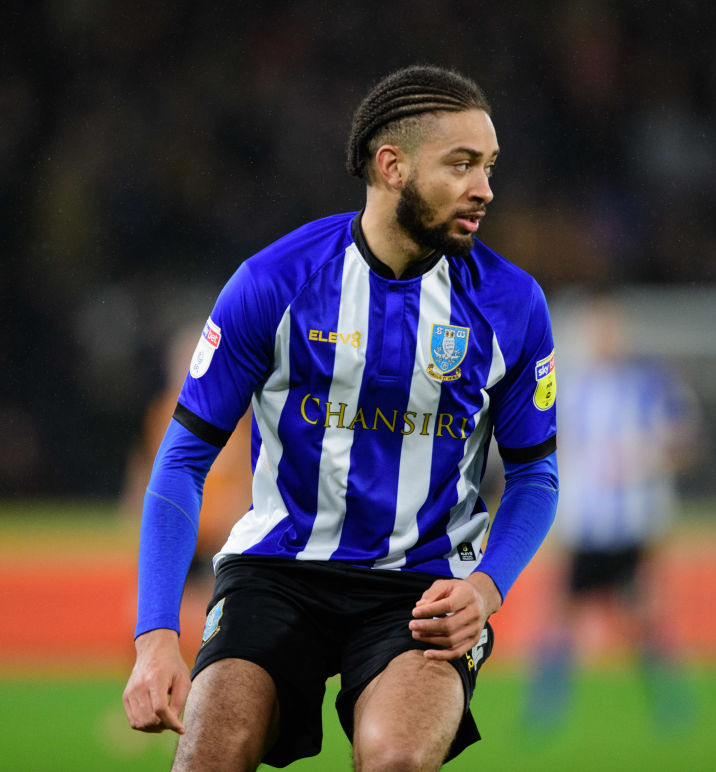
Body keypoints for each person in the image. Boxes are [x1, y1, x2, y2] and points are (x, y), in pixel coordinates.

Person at [122, 65, 559, 771]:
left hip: (422, 585)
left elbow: (537, 475)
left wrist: (485, 587)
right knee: (208, 756)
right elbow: (180, 461)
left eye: (489, 166)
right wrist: (154, 638)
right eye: (462, 164)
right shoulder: (276, 282)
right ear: (391, 167)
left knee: (395, 760)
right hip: (277, 570)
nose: (485, 188)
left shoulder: (512, 304)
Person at [525, 294, 698, 731]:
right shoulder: (569, 387)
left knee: (640, 615)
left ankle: (671, 703)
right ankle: (546, 709)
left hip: (631, 525)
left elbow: (685, 442)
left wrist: (647, 458)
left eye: (611, 330)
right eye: (598, 330)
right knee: (563, 613)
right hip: (584, 524)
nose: (605, 339)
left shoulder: (650, 385)